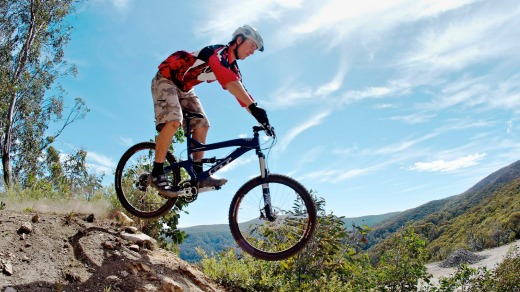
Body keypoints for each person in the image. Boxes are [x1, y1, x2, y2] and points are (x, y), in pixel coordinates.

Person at [149, 24, 273, 197]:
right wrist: (253, 107)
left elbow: (242, 94)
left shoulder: (233, 68)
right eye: (252, 45)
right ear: (239, 40)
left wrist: (261, 118)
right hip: (167, 79)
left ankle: (199, 176)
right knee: (174, 121)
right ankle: (156, 173)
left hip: (185, 89)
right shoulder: (218, 52)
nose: (253, 51)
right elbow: (227, 80)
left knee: (203, 125)